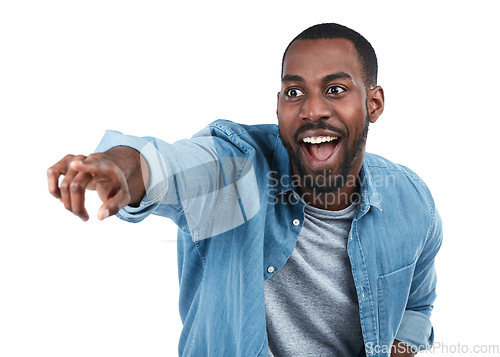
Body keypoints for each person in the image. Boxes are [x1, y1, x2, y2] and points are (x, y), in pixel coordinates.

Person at [47, 23, 443, 357]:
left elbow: (416, 305)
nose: (312, 110)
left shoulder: (411, 202)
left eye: (335, 89)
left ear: (373, 103)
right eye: (294, 91)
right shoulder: (236, 173)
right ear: (277, 107)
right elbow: (173, 166)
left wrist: (400, 346)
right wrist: (122, 167)